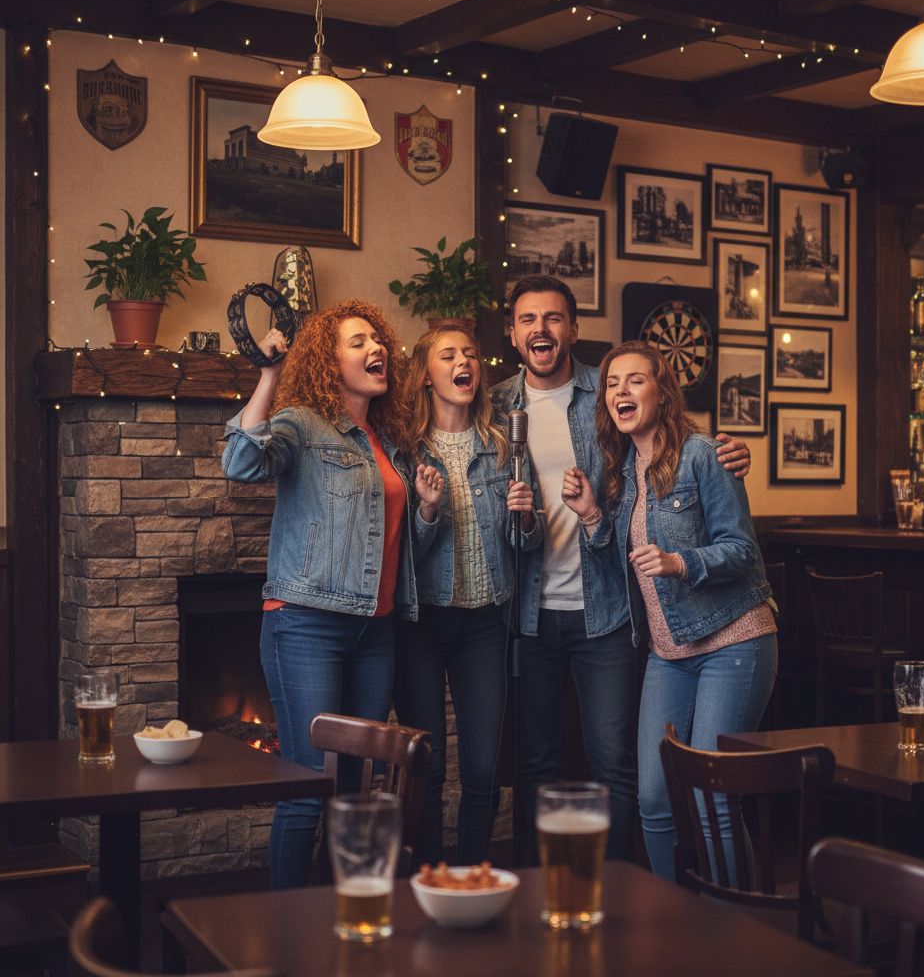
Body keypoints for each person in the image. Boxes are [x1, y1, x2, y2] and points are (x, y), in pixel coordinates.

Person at [491, 275, 751, 863]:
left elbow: (669, 451)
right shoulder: (496, 405)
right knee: (535, 762)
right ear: (513, 334)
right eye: (528, 319)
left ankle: (622, 892)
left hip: (606, 608)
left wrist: (725, 454)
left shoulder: (604, 394)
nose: (541, 329)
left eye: (553, 318)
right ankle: (541, 890)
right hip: (529, 613)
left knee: (613, 759)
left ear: (573, 330)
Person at [222, 302, 428, 889]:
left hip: (375, 628)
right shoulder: (302, 422)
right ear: (328, 360)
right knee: (308, 788)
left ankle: (342, 922)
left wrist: (430, 507)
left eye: (377, 339)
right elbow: (240, 463)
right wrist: (268, 376)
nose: (374, 349)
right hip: (305, 624)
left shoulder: (386, 437)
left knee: (353, 792)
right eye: (357, 341)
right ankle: (291, 931)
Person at [562, 340, 777, 882]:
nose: (620, 391)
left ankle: (736, 931)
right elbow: (622, 569)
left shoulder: (704, 454)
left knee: (710, 796)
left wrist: (681, 562)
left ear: (662, 392)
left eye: (635, 380)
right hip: (669, 652)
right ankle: (668, 915)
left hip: (735, 640)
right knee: (654, 798)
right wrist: (591, 516)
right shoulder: (621, 473)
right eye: (612, 383)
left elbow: (743, 550)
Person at [395, 324, 541, 866]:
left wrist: (525, 520)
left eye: (471, 355)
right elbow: (396, 551)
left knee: (482, 770)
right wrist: (427, 510)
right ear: (426, 374)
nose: (465, 363)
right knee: (425, 768)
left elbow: (527, 539)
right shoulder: (404, 450)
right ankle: (429, 879)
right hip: (421, 625)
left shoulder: (503, 444)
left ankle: (473, 875)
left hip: (485, 621)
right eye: (449, 355)